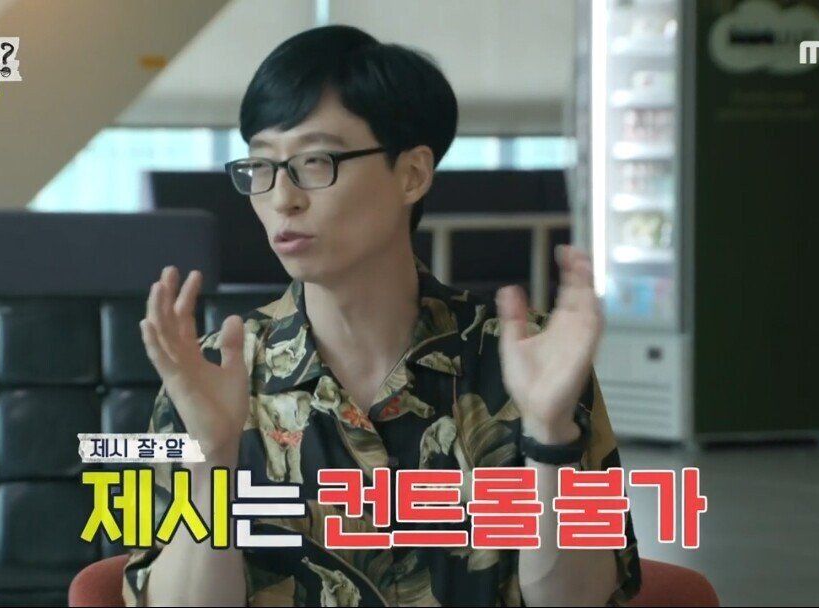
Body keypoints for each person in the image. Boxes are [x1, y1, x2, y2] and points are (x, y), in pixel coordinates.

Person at [124, 24, 640, 607]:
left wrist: (549, 436)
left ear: (412, 174)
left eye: (315, 161)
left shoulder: (524, 361)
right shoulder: (212, 373)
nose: (282, 198)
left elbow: (579, 601)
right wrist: (213, 461)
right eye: (261, 166)